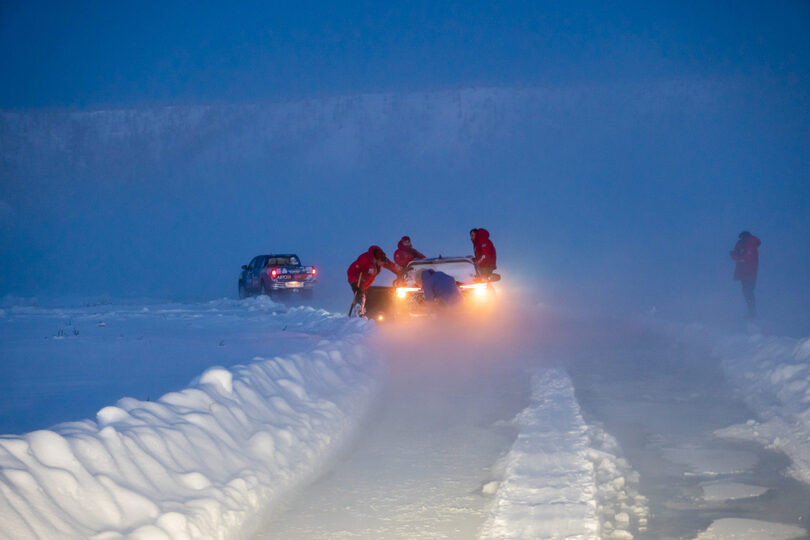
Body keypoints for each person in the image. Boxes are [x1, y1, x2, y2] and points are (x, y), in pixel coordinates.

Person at [347, 246, 400, 316]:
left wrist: (400, 272)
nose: (382, 265)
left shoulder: (382, 259)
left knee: (364, 295)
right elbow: (351, 270)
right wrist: (354, 283)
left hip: (366, 282)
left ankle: (361, 312)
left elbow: (391, 266)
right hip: (357, 279)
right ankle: (358, 312)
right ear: (377, 260)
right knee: (360, 294)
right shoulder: (365, 259)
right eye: (381, 263)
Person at [730, 231, 761, 318]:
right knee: (747, 292)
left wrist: (737, 256)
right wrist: (736, 255)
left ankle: (752, 313)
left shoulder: (749, 244)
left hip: (748, 273)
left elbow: (746, 257)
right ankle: (751, 312)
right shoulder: (745, 243)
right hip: (746, 273)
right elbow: (740, 256)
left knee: (748, 292)